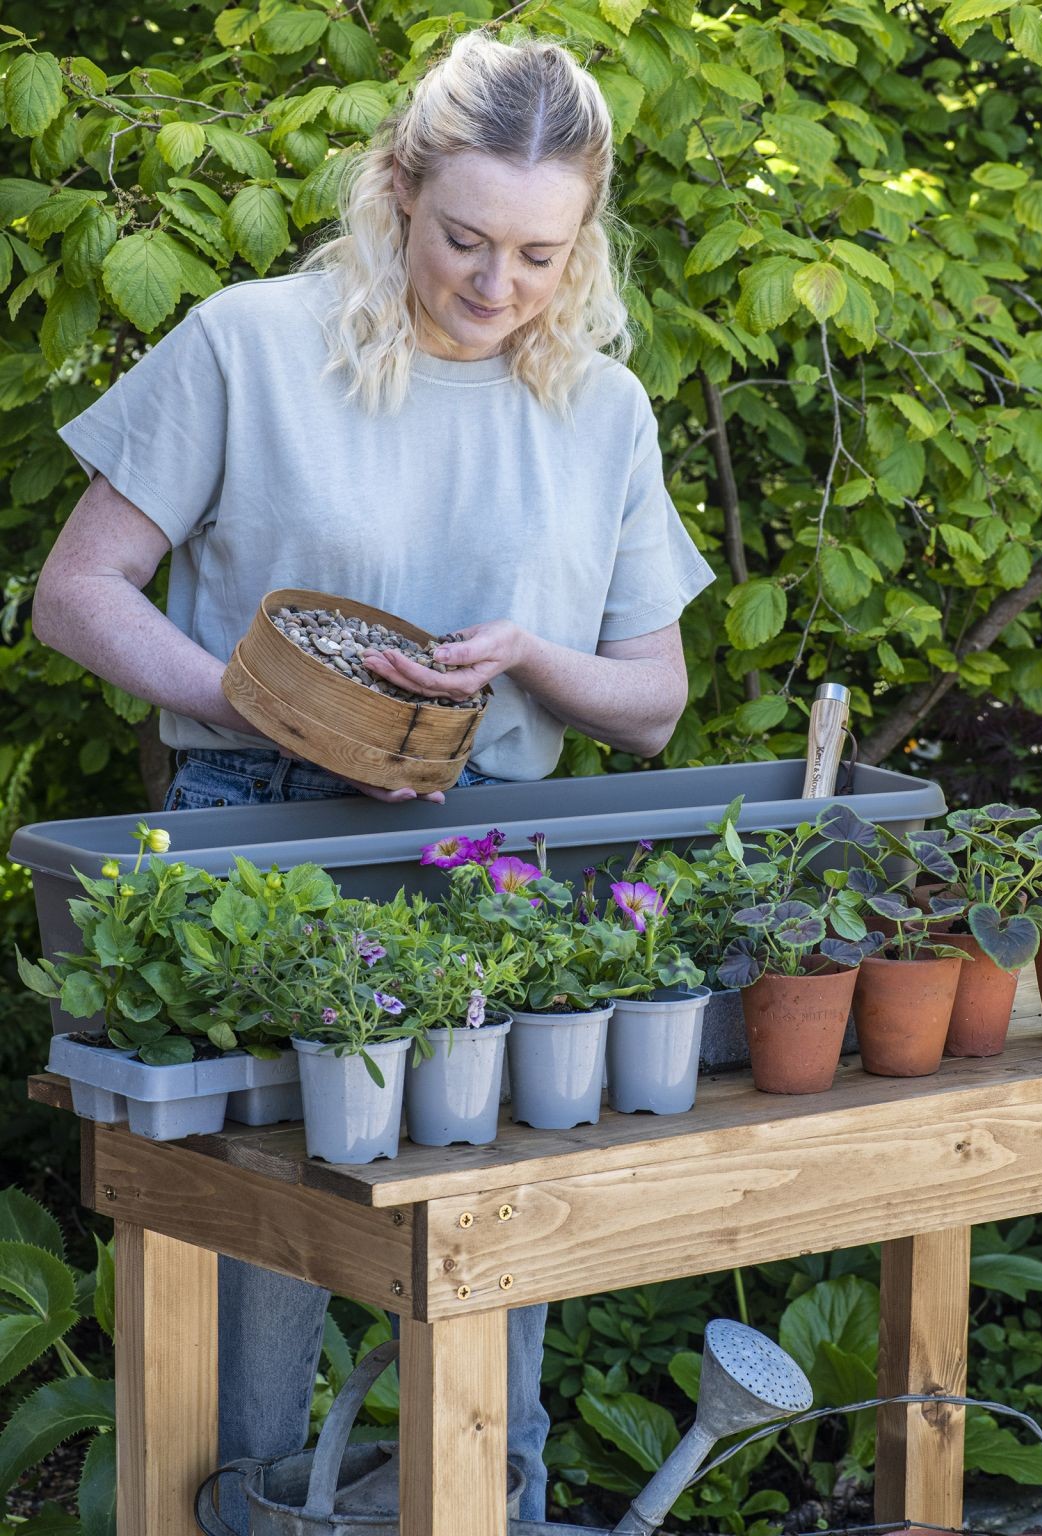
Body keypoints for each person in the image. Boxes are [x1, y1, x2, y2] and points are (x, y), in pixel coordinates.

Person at [32, 31, 715, 1528]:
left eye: (541, 254)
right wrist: (250, 697)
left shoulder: (600, 410)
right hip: (256, 854)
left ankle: (495, 1504)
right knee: (273, 1261)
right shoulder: (247, 344)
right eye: (465, 238)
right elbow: (75, 591)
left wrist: (534, 654)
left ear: (584, 237)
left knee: (491, 1237)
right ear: (397, 189)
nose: (498, 286)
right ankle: (259, 1507)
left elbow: (653, 703)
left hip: (498, 870)